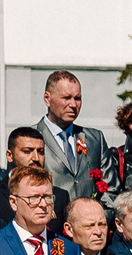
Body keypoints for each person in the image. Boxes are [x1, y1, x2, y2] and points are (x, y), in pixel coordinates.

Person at [36, 70, 107, 201]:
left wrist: (99, 215)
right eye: (66, 98)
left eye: (77, 98)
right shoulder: (31, 138)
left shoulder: (95, 139)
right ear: (47, 98)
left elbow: (109, 187)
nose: (73, 104)